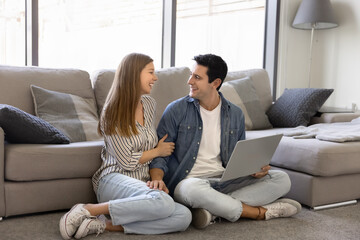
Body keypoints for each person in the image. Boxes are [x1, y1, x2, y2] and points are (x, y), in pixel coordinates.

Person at [148, 53, 301, 229]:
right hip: (190, 182)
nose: (190, 81)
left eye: (197, 77)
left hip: (225, 181)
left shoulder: (235, 113)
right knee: (191, 190)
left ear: (215, 83)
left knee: (282, 179)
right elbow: (160, 155)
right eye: (191, 75)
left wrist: (255, 169)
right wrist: (157, 179)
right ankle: (259, 213)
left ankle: (212, 210)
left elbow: (240, 156)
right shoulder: (176, 110)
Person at [59, 53, 191, 239]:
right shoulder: (113, 112)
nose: (155, 77)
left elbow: (148, 147)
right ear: (134, 74)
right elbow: (127, 162)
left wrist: (155, 176)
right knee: (163, 202)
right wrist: (157, 151)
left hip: (142, 183)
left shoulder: (149, 104)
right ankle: (89, 209)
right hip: (114, 179)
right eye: (151, 72)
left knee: (183, 216)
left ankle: (104, 224)